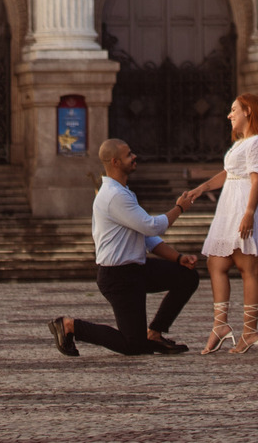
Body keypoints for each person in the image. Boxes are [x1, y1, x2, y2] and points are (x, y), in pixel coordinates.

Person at [47, 138, 199, 359]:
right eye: (129, 155)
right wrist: (179, 208)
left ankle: (155, 333)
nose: (134, 157)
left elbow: (146, 237)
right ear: (116, 162)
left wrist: (178, 258)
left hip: (137, 270)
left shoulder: (122, 192)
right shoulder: (114, 196)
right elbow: (151, 226)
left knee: (187, 276)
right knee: (133, 345)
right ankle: (70, 325)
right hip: (118, 277)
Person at [178, 93, 258, 355]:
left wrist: (249, 213)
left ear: (248, 111)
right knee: (216, 263)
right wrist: (202, 188)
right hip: (229, 208)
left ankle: (250, 331)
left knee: (248, 267)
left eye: (234, 110)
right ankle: (220, 325)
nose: (229, 115)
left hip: (246, 207)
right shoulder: (241, 144)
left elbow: (256, 180)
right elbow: (230, 173)